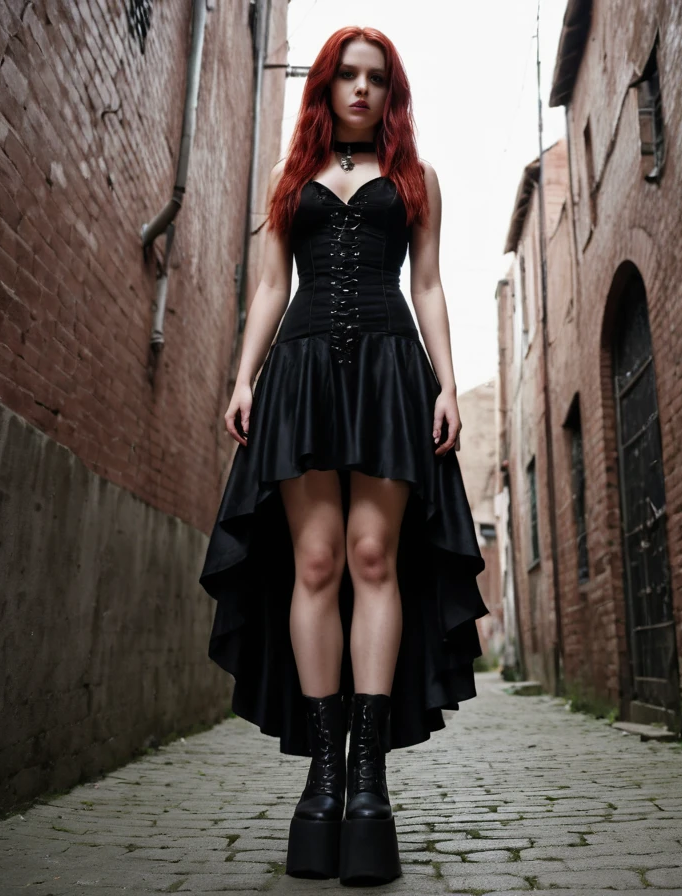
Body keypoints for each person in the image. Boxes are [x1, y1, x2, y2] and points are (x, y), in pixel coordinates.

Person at [198, 25, 489, 887]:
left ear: (390, 93)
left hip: (393, 371)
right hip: (303, 368)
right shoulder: (290, 181)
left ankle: (370, 784)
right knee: (316, 562)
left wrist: (446, 381)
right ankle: (322, 780)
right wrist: (244, 375)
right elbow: (269, 285)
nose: (360, 90)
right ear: (324, 87)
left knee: (373, 557)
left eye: (376, 79)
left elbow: (428, 283)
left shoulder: (417, 180)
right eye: (346, 77)